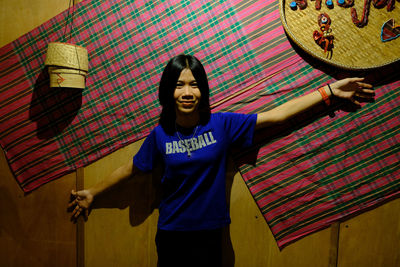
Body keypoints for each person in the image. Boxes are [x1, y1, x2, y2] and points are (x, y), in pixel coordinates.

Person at [68, 54, 374, 266]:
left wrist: (330, 91)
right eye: (179, 85)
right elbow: (132, 169)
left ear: (202, 89)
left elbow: (277, 115)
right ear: (167, 91)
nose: (187, 92)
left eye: (193, 84)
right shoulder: (159, 135)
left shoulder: (222, 124)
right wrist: (92, 192)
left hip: (211, 235)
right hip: (172, 235)